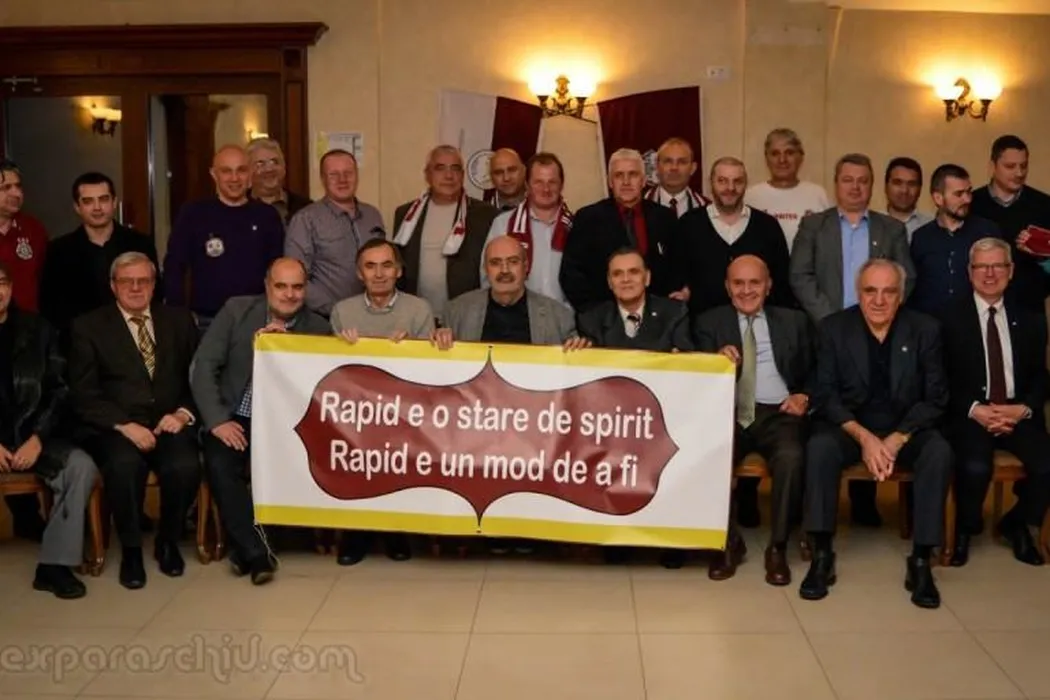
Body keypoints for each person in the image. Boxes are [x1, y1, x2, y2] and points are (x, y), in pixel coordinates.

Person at [800, 259, 952, 609]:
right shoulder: (833, 328)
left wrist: (897, 438)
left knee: (939, 452)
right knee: (819, 448)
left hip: (906, 427)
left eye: (889, 292)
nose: (879, 300)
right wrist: (865, 438)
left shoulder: (925, 329)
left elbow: (936, 397)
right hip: (851, 426)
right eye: (871, 291)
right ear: (858, 293)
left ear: (901, 295)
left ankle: (921, 560)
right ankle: (822, 555)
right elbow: (825, 395)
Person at [790, 153, 916, 527]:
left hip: (878, 335)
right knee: (830, 410)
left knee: (872, 405)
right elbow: (800, 276)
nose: (855, 187)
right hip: (826, 332)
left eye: (863, 180)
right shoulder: (814, 225)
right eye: (848, 180)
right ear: (836, 183)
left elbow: (906, 278)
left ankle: (865, 501)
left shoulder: (891, 229)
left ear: (872, 185)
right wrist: (834, 323)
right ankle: (816, 508)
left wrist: (878, 315)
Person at [191, 257, 330, 584]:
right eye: (281, 286)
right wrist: (217, 421)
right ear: (267, 286)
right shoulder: (236, 311)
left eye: (297, 287)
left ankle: (247, 551)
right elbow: (203, 367)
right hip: (235, 416)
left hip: (285, 425)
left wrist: (286, 348)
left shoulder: (318, 328)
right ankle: (256, 553)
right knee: (221, 465)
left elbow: (321, 389)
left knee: (296, 463)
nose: (289, 294)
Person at [69, 252, 201, 590]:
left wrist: (183, 414)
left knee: (185, 466)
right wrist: (124, 425)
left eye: (144, 280)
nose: (136, 288)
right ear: (113, 286)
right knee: (124, 466)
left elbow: (199, 379)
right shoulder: (88, 327)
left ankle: (167, 541)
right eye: (127, 281)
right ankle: (131, 550)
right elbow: (83, 394)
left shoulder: (180, 321)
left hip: (168, 422)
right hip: (116, 427)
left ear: (154, 285)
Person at [695, 255, 813, 585]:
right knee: (708, 456)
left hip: (779, 412)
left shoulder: (794, 321)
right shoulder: (708, 322)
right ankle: (727, 542)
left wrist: (804, 395)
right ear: (727, 287)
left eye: (754, 283)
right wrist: (715, 363)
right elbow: (695, 376)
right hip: (728, 413)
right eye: (738, 283)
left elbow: (819, 371)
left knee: (791, 457)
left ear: (769, 285)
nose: (746, 290)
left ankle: (777, 547)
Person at [939, 238, 1049, 567]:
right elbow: (938, 377)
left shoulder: (1031, 317)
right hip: (969, 413)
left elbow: (1040, 375)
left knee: (1047, 465)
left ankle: (1018, 523)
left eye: (998, 265)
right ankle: (966, 527)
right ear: (969, 272)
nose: (990, 273)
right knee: (974, 467)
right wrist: (976, 409)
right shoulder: (947, 318)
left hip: (1017, 411)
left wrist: (1024, 408)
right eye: (981, 266)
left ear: (1011, 270)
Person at [329, 239, 435, 564]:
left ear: (399, 271)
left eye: (387, 266)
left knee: (398, 444)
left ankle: (394, 529)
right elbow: (330, 372)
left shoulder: (419, 310)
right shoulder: (342, 312)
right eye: (370, 266)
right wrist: (342, 348)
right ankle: (356, 532)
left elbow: (430, 372)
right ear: (359, 273)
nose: (379, 274)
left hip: (406, 409)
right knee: (351, 444)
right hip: (355, 409)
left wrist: (412, 348)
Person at [0, 261, 99, 599]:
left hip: (36, 436)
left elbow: (60, 391)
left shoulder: (39, 329)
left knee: (81, 467)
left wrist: (38, 437)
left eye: (1, 282)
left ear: (10, 287)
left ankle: (53, 566)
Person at [163, 145, 285, 331]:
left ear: (250, 173)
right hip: (206, 322)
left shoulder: (267, 216)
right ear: (214, 174)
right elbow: (174, 267)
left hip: (256, 320)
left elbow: (277, 271)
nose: (234, 178)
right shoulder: (193, 214)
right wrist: (178, 316)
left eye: (241, 170)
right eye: (226, 171)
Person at [40, 172, 159, 347]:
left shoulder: (140, 244)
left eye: (103, 199)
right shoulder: (59, 251)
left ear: (114, 202)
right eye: (88, 201)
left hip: (133, 342)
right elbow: (50, 305)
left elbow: (155, 293)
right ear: (77, 207)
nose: (97, 208)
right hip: (78, 344)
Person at [560, 148, 687, 312]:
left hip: (658, 318)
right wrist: (596, 314)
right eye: (619, 175)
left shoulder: (665, 218)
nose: (626, 182)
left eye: (633, 174)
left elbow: (678, 268)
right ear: (610, 182)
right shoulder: (588, 219)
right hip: (604, 318)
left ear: (643, 180)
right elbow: (571, 274)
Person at [392, 145, 497, 322]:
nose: (449, 176)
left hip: (467, 316)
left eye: (455, 168)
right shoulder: (405, 214)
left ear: (462, 175)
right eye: (440, 168)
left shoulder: (485, 215)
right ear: (427, 175)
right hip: (417, 316)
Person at [679, 156, 794, 316]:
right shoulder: (688, 224)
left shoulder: (768, 226)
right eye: (722, 181)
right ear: (711, 183)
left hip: (757, 324)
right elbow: (679, 279)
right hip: (701, 325)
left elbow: (782, 283)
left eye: (737, 181)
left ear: (746, 184)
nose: (730, 188)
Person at [285, 148, 386, 318]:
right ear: (323, 179)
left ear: (357, 176)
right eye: (334, 175)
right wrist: (337, 311)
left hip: (375, 315)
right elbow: (296, 278)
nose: (342, 180)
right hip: (325, 318)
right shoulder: (305, 219)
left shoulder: (373, 215)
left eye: (348, 173)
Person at [909, 164, 1002, 316]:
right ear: (938, 198)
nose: (967, 199)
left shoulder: (987, 231)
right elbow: (914, 286)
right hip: (931, 323)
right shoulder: (921, 237)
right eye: (959, 194)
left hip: (974, 322)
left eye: (968, 192)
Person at [481, 152, 572, 305]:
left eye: (552, 182)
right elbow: (487, 276)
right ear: (527, 184)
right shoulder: (503, 224)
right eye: (538, 182)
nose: (546, 189)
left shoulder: (575, 226)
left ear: (561, 185)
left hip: (565, 316)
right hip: (517, 315)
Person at [744, 129, 829, 251]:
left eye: (789, 153)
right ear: (766, 158)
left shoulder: (818, 194)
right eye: (775, 153)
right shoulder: (751, 196)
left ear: (800, 157)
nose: (782, 160)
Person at [245, 137, 312, 226]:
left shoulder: (306, 208)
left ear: (284, 167)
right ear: (248, 171)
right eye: (260, 163)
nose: (269, 169)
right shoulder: (238, 207)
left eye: (274, 162)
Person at [643, 137, 710, 216]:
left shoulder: (709, 209)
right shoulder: (638, 206)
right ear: (657, 167)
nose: (674, 168)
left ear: (693, 168)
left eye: (682, 162)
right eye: (668, 161)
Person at [883, 157, 933, 241]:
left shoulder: (932, 226)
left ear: (920, 189)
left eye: (911, 184)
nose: (904, 190)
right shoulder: (871, 225)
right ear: (886, 186)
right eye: (898, 183)